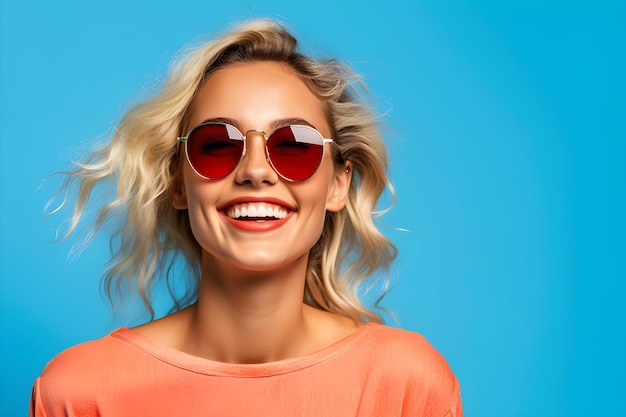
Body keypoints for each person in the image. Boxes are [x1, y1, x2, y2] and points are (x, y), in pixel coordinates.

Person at [30, 19, 462, 417]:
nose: (255, 171)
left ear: (337, 184)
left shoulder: (407, 385)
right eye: (216, 145)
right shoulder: (79, 393)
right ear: (179, 183)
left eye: (295, 146)